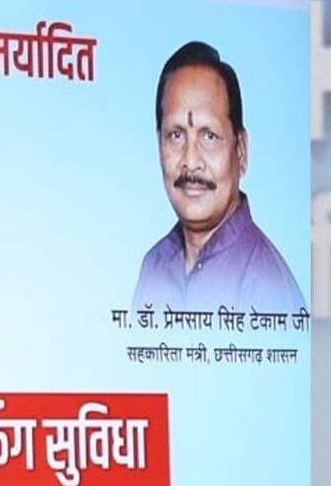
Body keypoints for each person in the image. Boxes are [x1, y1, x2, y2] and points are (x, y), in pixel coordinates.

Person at [130, 41, 304, 314]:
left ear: (241, 151)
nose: (190, 162)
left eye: (209, 137)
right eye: (176, 135)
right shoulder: (154, 267)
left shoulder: (267, 285)